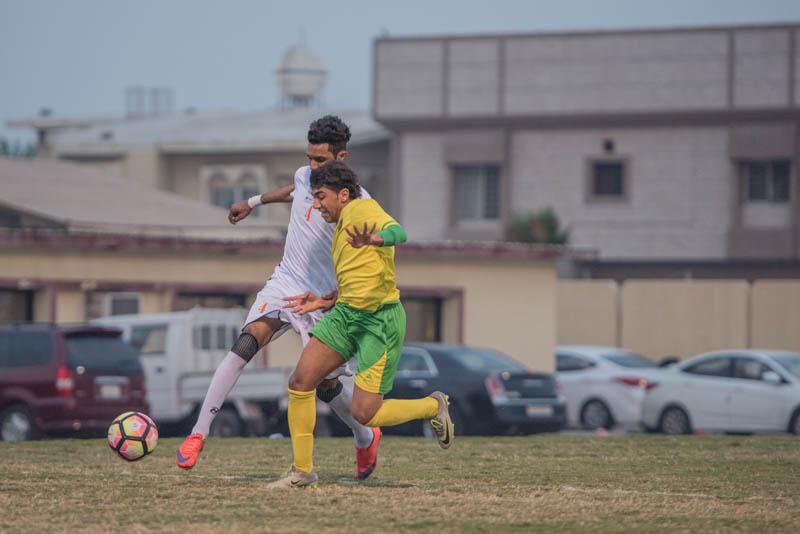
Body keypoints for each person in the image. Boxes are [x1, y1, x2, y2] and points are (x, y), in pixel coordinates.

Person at [176, 116, 382, 481]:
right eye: (309, 158)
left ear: (342, 157)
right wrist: (253, 201)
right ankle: (198, 434)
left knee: (325, 386)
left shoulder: (359, 204)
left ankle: (365, 436)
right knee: (246, 342)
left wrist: (338, 297)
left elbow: (370, 259)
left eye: (321, 160)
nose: (312, 167)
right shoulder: (306, 177)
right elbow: (293, 190)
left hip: (321, 298)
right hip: (285, 282)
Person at [267, 161, 453, 490]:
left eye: (321, 197)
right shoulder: (340, 225)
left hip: (378, 322)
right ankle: (303, 472)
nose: (316, 205)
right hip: (345, 315)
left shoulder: (362, 208)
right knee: (300, 381)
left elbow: (399, 232)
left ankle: (432, 406)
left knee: (365, 414)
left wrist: (379, 238)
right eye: (314, 197)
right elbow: (359, 279)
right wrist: (326, 301)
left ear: (343, 194)